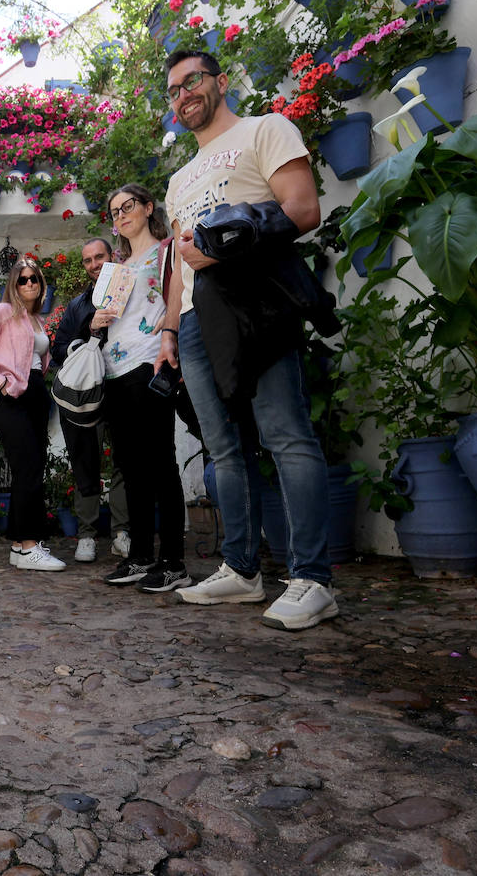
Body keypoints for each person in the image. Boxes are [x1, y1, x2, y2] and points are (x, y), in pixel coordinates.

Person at [160, 49, 339, 630]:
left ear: (220, 81)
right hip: (194, 319)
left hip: (253, 302)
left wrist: (228, 242)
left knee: (286, 434)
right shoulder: (178, 180)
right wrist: (169, 330)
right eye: (173, 90)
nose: (184, 94)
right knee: (222, 449)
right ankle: (240, 570)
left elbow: (303, 209)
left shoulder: (267, 129)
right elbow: (178, 266)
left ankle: (313, 578)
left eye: (193, 81)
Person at [89, 184, 188, 592]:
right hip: (115, 369)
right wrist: (96, 323)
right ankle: (141, 556)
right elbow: (106, 319)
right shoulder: (115, 267)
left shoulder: (166, 252)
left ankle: (173, 561)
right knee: (130, 468)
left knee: (160, 462)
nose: (121, 215)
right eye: (114, 212)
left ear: (148, 208)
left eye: (128, 206)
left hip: (151, 362)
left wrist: (171, 338)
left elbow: (178, 297)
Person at [0, 255, 66, 571]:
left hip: (36, 394)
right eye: (22, 279)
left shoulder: (37, 320)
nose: (29, 284)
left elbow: (38, 360)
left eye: (34, 278)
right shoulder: (1, 312)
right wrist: (2, 383)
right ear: (13, 283)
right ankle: (29, 546)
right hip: (12, 397)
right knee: (28, 467)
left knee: (33, 467)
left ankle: (18, 546)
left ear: (41, 284)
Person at [50, 237, 131, 564]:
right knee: (86, 459)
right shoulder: (77, 306)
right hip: (87, 391)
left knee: (126, 457)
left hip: (125, 384)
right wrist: (88, 330)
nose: (95, 264)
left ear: (112, 257)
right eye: (88, 260)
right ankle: (86, 534)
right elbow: (57, 351)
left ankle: (122, 533)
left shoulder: (131, 291)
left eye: (99, 257)